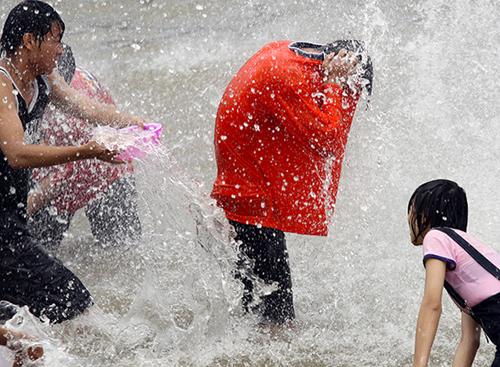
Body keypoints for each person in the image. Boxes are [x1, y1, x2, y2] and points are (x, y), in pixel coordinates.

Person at [0, 0, 147, 324]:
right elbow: (17, 153)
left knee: (22, 324)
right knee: (75, 304)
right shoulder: (1, 86)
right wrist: (88, 151)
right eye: (55, 39)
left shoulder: (44, 80)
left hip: (13, 224)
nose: (61, 49)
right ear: (28, 40)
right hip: (6, 230)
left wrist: (130, 122)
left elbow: (88, 109)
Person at [210, 40, 373, 326]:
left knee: (259, 313)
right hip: (250, 204)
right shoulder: (291, 78)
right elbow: (328, 140)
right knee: (276, 323)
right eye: (352, 91)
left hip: (243, 193)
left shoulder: (288, 54)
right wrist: (335, 84)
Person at [28, 44, 142, 252]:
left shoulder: (66, 115)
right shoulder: (48, 70)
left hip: (107, 174)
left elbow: (56, 182)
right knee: (31, 254)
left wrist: (15, 211)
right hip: (69, 162)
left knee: (122, 253)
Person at [408, 179, 500, 367]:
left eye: (411, 209)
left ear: (425, 215)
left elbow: (431, 305)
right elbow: (470, 342)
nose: (408, 217)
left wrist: (419, 364)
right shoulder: (471, 263)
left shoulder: (436, 236)